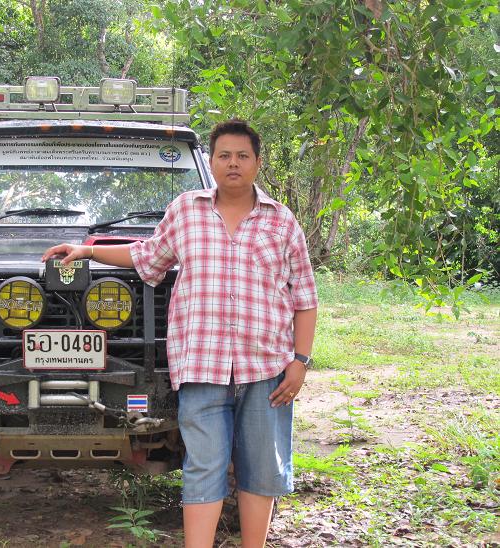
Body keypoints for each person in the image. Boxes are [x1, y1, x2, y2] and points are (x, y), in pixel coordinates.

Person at [42, 119, 318, 548]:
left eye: (242, 156)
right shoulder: (187, 210)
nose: (233, 163)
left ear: (257, 163)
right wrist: (88, 250)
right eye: (224, 155)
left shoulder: (282, 222)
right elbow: (148, 256)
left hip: (267, 369)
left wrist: (300, 362)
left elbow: (305, 297)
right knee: (203, 468)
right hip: (202, 365)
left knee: (262, 469)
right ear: (212, 161)